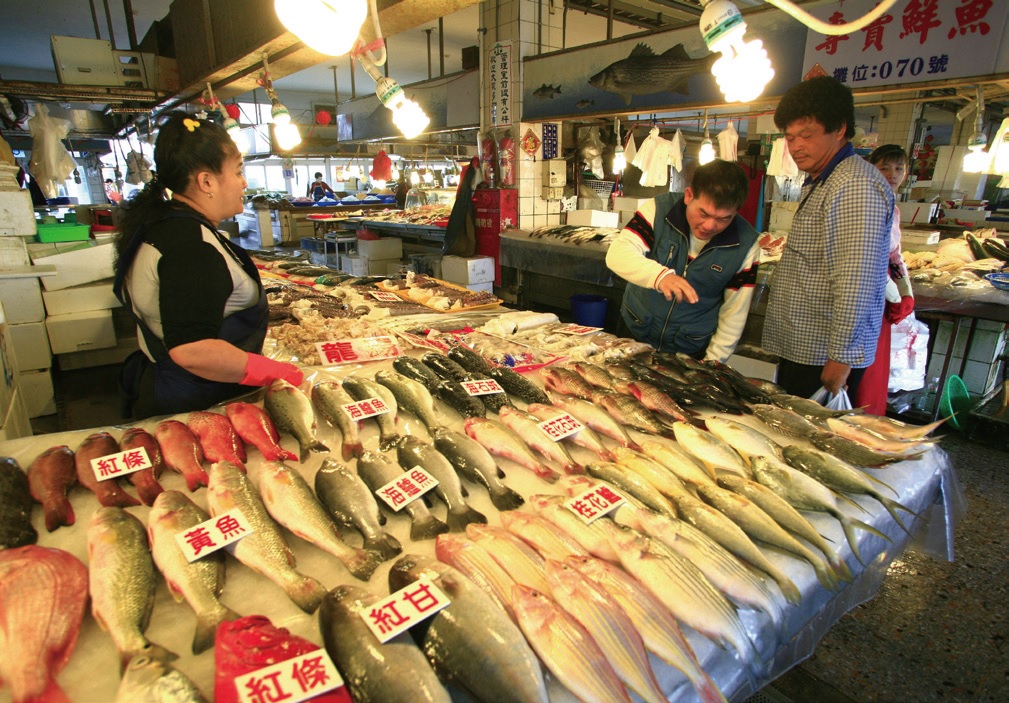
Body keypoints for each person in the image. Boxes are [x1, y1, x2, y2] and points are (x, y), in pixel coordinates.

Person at [113, 112, 303, 419]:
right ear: (206, 181)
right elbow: (192, 350)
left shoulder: (164, 224)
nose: (244, 183)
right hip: (198, 403)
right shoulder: (190, 246)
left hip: (179, 387)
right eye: (238, 171)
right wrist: (272, 370)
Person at [762, 76, 894, 399]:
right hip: (806, 347)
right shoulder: (824, 179)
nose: (795, 147)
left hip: (823, 356)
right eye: (789, 138)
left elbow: (857, 279)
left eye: (806, 136)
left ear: (839, 129)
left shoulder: (854, 185)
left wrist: (841, 360)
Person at [606, 159, 760, 361]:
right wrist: (660, 277)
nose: (709, 226)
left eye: (724, 218)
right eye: (703, 213)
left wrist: (712, 364)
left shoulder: (746, 245)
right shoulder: (659, 210)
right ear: (689, 195)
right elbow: (617, 254)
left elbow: (734, 313)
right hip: (634, 332)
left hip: (689, 348)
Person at [855, 144, 916, 414]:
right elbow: (867, 258)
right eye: (885, 167)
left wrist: (907, 292)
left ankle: (869, 421)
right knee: (860, 367)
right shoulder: (867, 204)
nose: (892, 174)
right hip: (867, 297)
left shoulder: (894, 208)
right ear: (872, 169)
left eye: (899, 168)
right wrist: (893, 295)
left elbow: (893, 255)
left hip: (884, 298)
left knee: (874, 368)